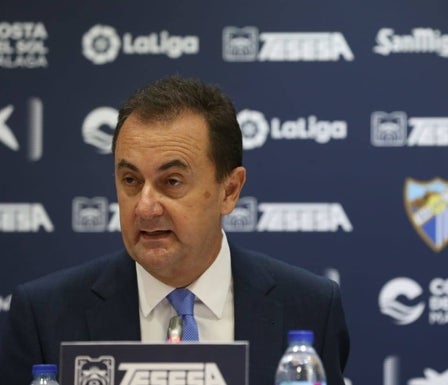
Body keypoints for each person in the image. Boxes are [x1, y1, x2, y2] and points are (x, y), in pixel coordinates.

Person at [0, 75, 350, 385]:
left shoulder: (310, 307)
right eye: (130, 180)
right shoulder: (44, 315)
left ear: (229, 191)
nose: (146, 206)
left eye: (172, 181)